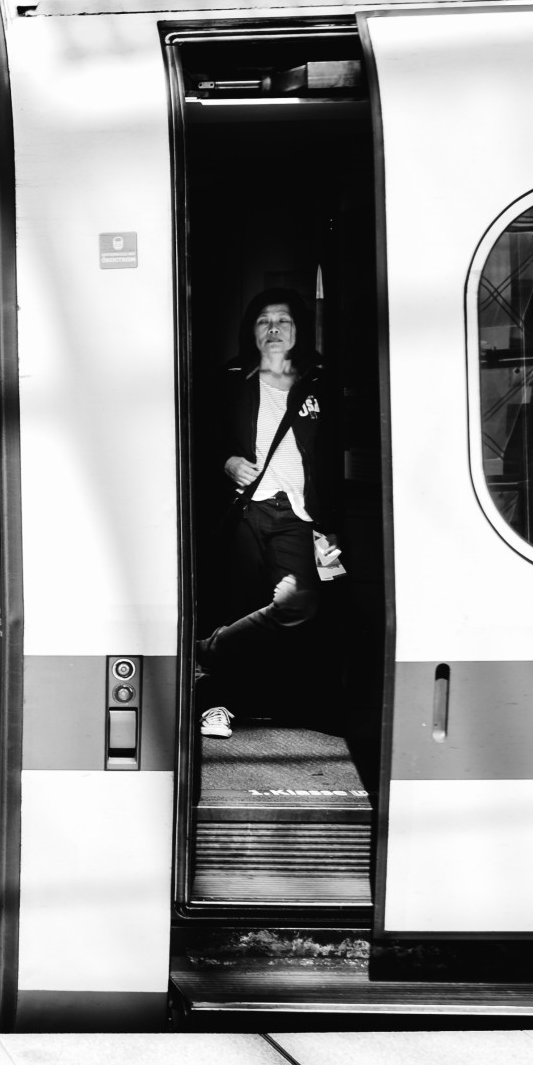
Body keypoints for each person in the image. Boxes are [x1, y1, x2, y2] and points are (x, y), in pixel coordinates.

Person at [196, 288, 342, 738]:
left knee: (300, 603)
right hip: (246, 510)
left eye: (283, 320)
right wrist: (227, 461)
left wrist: (333, 524)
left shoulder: (319, 381)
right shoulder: (232, 378)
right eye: (264, 321)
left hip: (300, 514)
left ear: (298, 330)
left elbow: (336, 453)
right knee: (238, 601)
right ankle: (217, 704)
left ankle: (212, 650)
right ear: (253, 332)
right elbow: (195, 436)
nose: (274, 328)